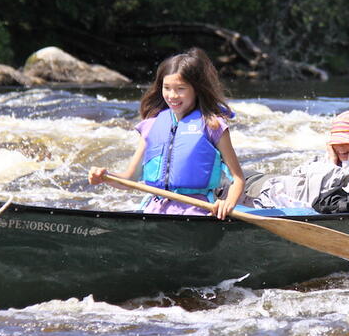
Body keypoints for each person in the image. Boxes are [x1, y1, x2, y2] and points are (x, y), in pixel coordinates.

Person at [88, 47, 245, 220]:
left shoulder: (213, 126)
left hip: (196, 211)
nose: (172, 95)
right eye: (167, 87)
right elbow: (129, 179)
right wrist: (105, 177)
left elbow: (238, 179)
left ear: (197, 89)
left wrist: (227, 204)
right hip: (154, 211)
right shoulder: (151, 126)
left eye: (180, 88)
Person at [246, 110, 349, 211]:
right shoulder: (338, 153)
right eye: (336, 142)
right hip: (338, 209)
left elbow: (345, 192)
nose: (340, 147)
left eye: (346, 142)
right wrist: (331, 159)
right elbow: (323, 187)